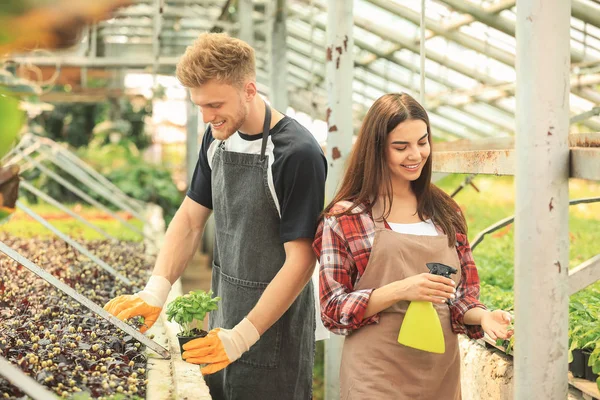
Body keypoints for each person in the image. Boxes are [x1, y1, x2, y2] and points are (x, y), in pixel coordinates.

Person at [104, 33, 327, 400]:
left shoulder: (297, 153)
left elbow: (302, 261)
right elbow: (191, 218)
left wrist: (242, 336)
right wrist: (155, 291)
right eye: (200, 106)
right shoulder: (217, 137)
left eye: (215, 104)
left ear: (250, 90)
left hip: (273, 330)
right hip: (223, 315)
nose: (207, 117)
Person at [312, 93, 513, 400]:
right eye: (401, 146)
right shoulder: (347, 218)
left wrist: (483, 317)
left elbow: (458, 297)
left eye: (422, 142)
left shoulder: (445, 211)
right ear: (376, 149)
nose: (416, 154)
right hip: (375, 376)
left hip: (439, 374)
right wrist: (402, 289)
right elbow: (333, 310)